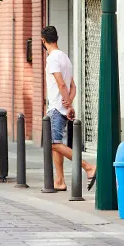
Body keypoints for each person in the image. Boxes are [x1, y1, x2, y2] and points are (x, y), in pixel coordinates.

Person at [42, 26, 96, 191]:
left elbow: (62, 83)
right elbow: (73, 86)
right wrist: (69, 101)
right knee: (57, 142)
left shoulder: (52, 58)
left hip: (56, 108)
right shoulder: (65, 57)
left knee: (52, 143)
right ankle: (59, 181)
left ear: (43, 41)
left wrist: (67, 103)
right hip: (62, 107)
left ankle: (88, 167)